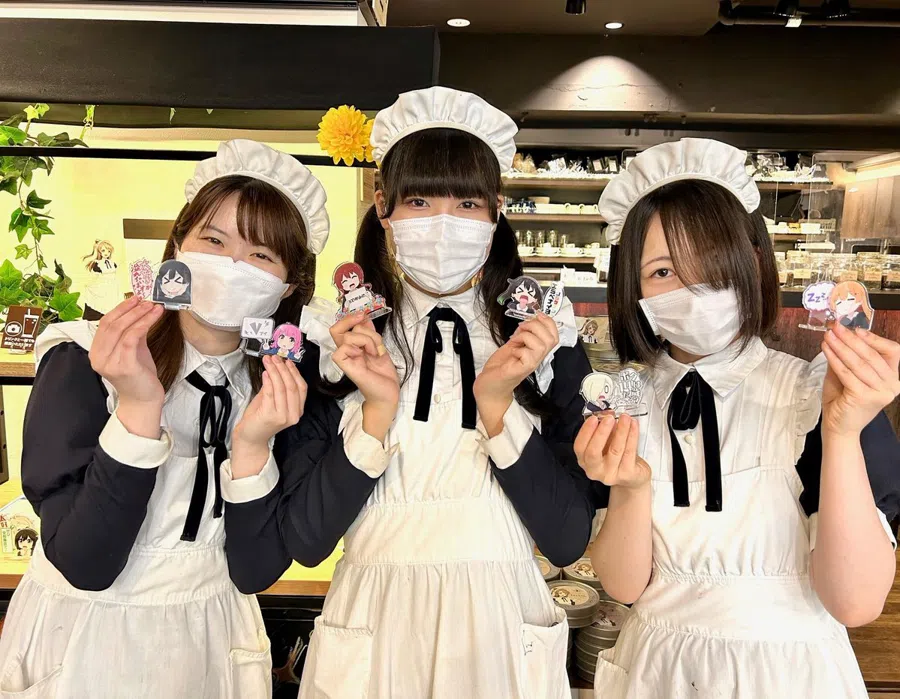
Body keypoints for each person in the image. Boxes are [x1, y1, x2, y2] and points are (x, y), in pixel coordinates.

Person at [228, 87, 596, 698]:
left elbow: (565, 540)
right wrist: (376, 412)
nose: (443, 223)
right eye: (419, 201)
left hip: (501, 625)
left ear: (497, 211)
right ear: (384, 207)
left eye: (467, 202)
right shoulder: (339, 343)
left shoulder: (543, 344)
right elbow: (308, 543)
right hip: (375, 622)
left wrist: (498, 407)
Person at [0, 139, 330, 699]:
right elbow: (85, 564)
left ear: (289, 285)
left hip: (214, 634)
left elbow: (253, 571)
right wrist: (137, 407)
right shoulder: (83, 357)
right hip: (82, 637)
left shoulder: (284, 388)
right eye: (214, 240)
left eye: (261, 255)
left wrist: (253, 445)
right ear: (177, 246)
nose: (232, 266)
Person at [577, 138, 900, 698]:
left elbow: (855, 602)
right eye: (662, 271)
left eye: (712, 259)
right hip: (658, 669)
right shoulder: (624, 402)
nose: (693, 288)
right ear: (632, 287)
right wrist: (630, 486)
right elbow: (624, 587)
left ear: (752, 259)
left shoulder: (817, 394)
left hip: (789, 674)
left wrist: (844, 433)